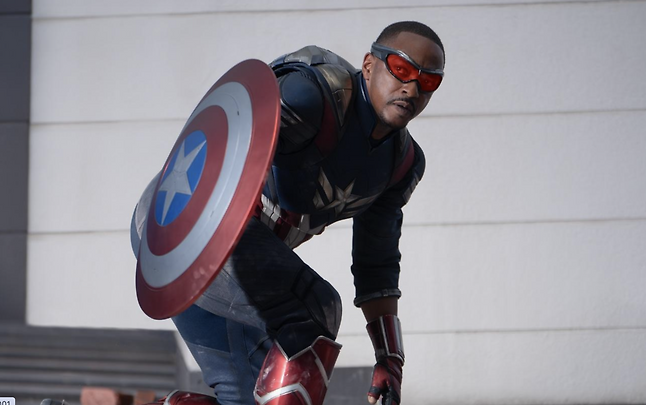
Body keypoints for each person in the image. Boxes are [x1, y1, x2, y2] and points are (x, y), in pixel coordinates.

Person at [167, 20, 445, 405]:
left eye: (428, 81)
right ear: (369, 65)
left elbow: (376, 263)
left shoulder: (401, 163)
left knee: (244, 398)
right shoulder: (310, 95)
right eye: (401, 69)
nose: (411, 88)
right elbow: (223, 145)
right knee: (317, 308)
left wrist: (390, 357)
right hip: (191, 232)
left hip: (217, 267)